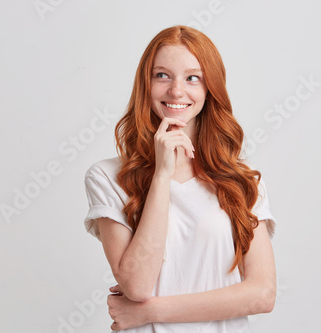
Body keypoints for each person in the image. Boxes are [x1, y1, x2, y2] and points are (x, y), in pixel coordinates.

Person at [83, 25, 277, 332]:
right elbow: (137, 286)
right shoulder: (107, 177)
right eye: (162, 75)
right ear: (145, 85)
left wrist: (150, 312)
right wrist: (162, 175)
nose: (176, 91)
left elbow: (262, 294)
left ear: (210, 88)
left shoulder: (242, 180)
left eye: (192, 78)